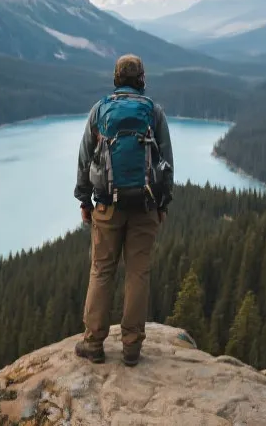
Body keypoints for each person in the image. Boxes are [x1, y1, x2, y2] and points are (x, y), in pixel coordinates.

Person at [73, 54, 174, 367]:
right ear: (142, 79)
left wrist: (84, 200)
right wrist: (163, 203)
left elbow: (84, 158)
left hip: (107, 205)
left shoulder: (100, 110)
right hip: (144, 206)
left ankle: (93, 343)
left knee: (102, 271)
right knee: (137, 273)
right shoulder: (153, 112)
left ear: (116, 78)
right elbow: (167, 162)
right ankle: (131, 348)